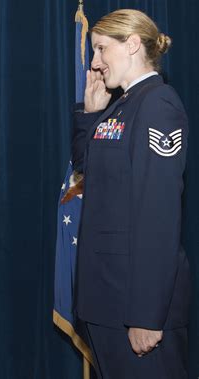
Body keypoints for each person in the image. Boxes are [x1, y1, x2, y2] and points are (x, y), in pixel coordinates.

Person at [72, 9, 190, 379]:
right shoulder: (122, 105)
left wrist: (145, 314)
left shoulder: (157, 105)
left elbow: (157, 216)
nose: (95, 63)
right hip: (107, 301)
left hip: (134, 308)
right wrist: (91, 116)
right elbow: (87, 168)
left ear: (133, 44)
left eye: (101, 49)